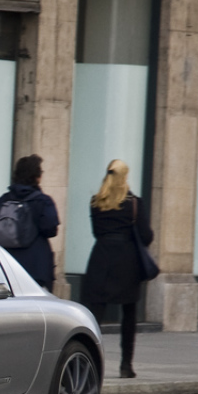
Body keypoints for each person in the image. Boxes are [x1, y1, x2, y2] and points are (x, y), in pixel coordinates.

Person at [81, 159, 153, 379]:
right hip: (127, 261)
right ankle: (125, 365)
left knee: (94, 316)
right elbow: (146, 236)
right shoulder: (134, 203)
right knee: (129, 314)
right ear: (125, 177)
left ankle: (87, 363)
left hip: (101, 258)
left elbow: (96, 232)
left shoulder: (96, 202)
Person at [0, 154, 60, 290]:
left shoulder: (4, 200)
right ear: (37, 177)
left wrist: (4, 233)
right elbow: (50, 228)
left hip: (7, 264)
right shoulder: (43, 201)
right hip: (37, 267)